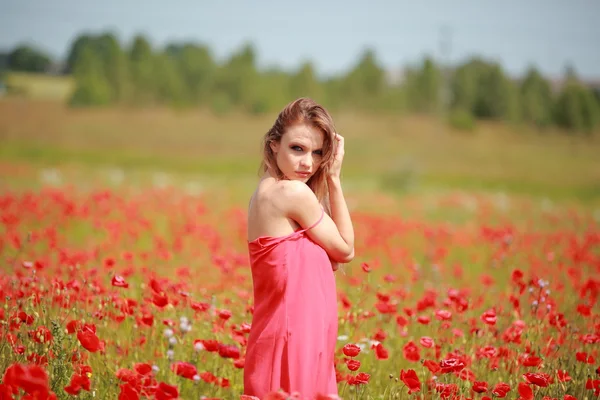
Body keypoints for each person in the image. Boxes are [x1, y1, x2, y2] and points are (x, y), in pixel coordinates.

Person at [244, 98, 355, 399]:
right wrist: (333, 178)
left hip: (287, 336)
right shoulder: (291, 193)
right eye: (298, 149)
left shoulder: (263, 193)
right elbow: (345, 249)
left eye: (318, 153)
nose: (308, 162)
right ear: (273, 146)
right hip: (293, 341)